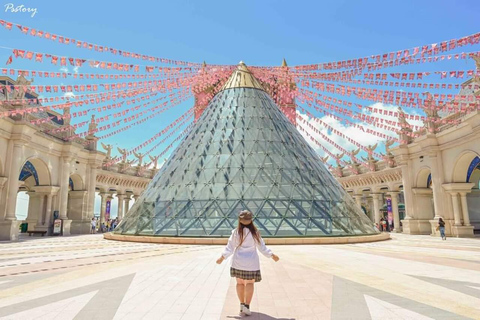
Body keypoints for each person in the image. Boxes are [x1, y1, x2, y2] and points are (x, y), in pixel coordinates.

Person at [216, 210, 279, 316]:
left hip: (238, 262)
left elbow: (230, 247)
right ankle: (247, 306)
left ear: (240, 220)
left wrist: (222, 257)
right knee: (249, 283)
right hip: (251, 262)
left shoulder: (236, 232)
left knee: (240, 283)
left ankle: (241, 306)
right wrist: (272, 255)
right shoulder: (255, 232)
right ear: (251, 220)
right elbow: (262, 247)